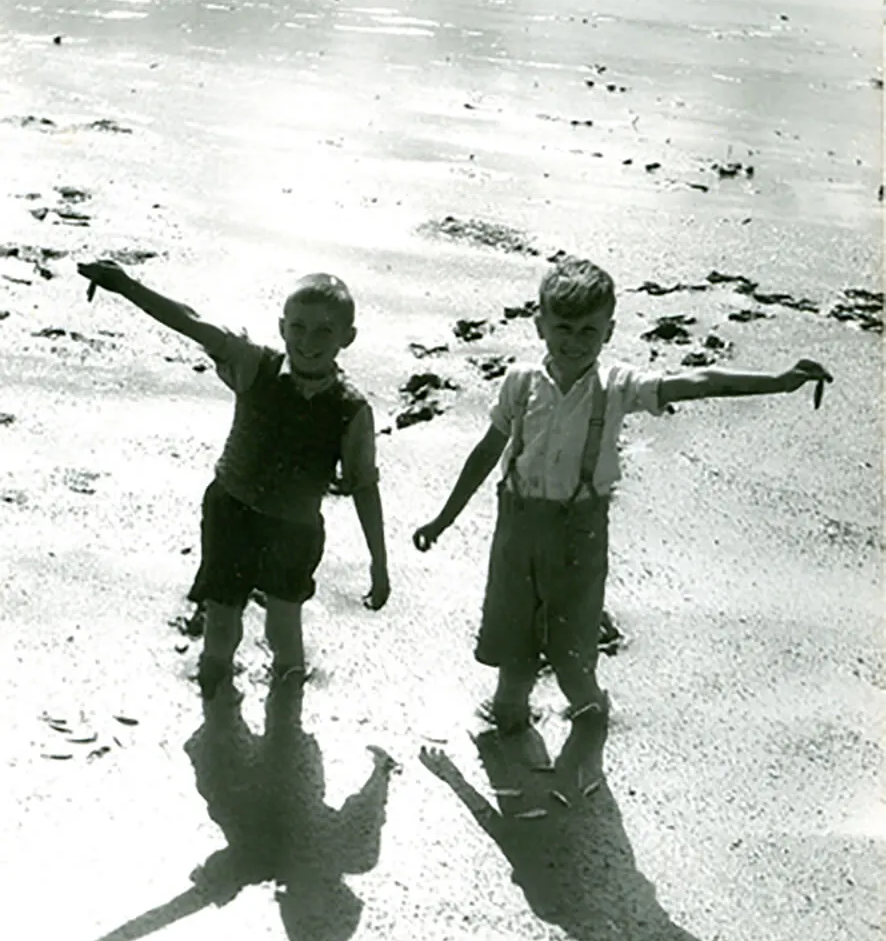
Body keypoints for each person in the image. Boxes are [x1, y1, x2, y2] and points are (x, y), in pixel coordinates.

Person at [413, 256, 831, 770]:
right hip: (515, 536)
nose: (575, 341)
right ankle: (515, 755)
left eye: (589, 330)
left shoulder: (617, 388)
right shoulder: (520, 383)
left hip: (578, 537)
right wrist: (442, 519)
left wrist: (778, 380)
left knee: (572, 668)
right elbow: (484, 453)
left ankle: (593, 720)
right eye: (563, 328)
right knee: (511, 668)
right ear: (539, 323)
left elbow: (698, 381)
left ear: (608, 331)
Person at [77, 260, 390, 698]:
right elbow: (190, 322)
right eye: (298, 327)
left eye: (324, 331)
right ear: (282, 327)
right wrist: (126, 285)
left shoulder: (351, 409)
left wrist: (379, 562)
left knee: (285, 627)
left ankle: (287, 710)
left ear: (347, 338)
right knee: (222, 620)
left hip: (295, 530)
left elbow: (364, 486)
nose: (308, 341)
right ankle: (214, 697)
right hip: (231, 512)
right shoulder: (252, 364)